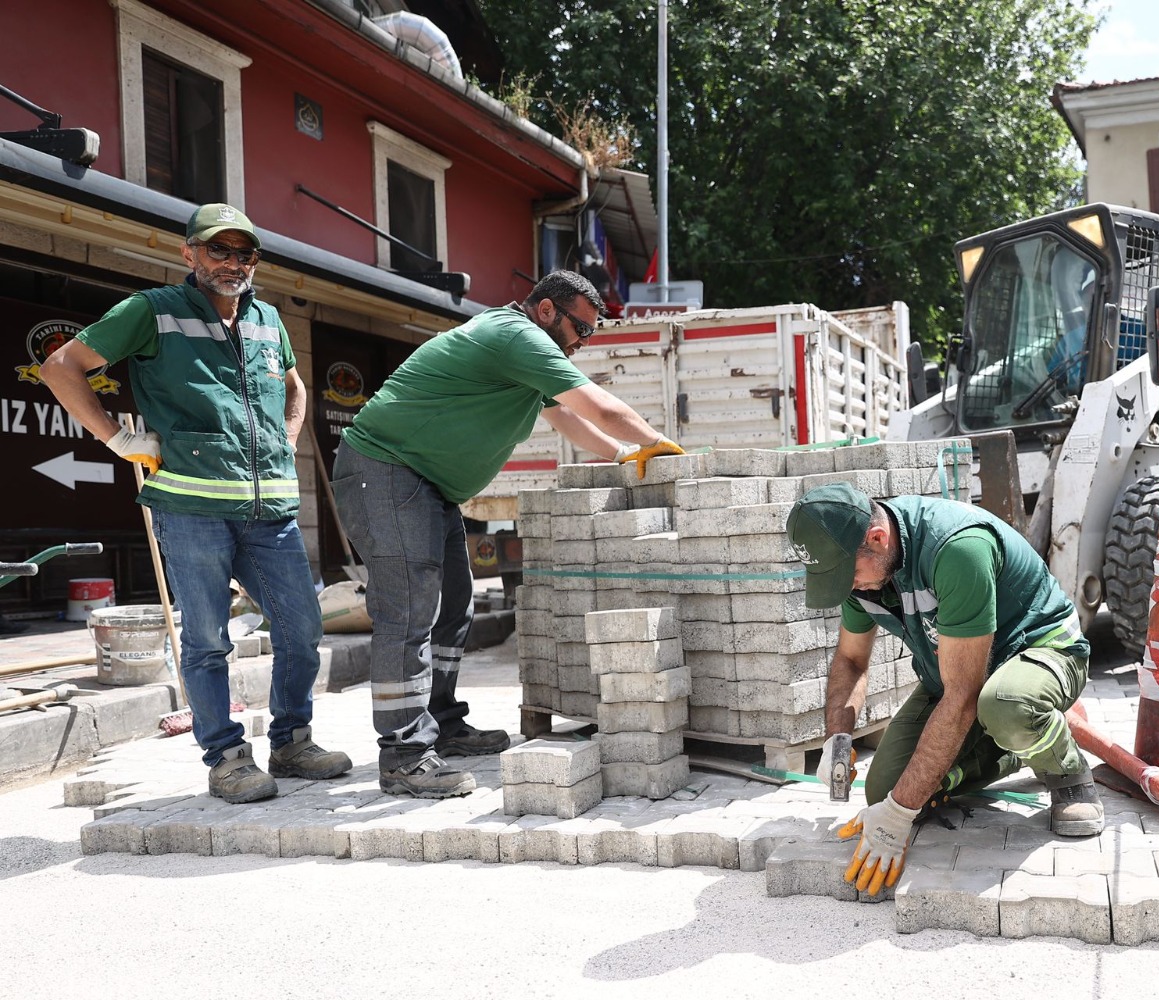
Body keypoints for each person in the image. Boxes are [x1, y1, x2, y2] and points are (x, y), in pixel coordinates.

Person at [39, 204, 351, 801]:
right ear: (189, 254)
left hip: (271, 512)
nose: (233, 263)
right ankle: (227, 756)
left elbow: (293, 384)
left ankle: (292, 742)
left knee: (302, 629)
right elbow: (61, 367)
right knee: (208, 640)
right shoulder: (153, 311)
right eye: (218, 250)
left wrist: (286, 438)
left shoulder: (267, 318)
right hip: (192, 508)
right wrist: (116, 438)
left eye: (244, 253)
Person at [331, 270, 683, 798]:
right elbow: (597, 405)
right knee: (407, 611)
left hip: (423, 483)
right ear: (545, 312)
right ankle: (404, 754)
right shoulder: (515, 336)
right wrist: (658, 441)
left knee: (455, 607)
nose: (582, 343)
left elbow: (564, 416)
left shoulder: (522, 356)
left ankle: (442, 724)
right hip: (384, 469)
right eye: (579, 330)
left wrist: (620, 454)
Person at [786, 484, 1099, 896]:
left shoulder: (957, 549)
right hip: (958, 672)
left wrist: (899, 815)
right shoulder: (861, 572)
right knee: (883, 790)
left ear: (877, 539)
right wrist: (838, 740)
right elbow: (850, 660)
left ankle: (1067, 772)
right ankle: (1009, 749)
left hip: (1042, 651)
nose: (850, 588)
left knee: (1005, 705)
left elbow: (963, 697)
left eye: (849, 576)